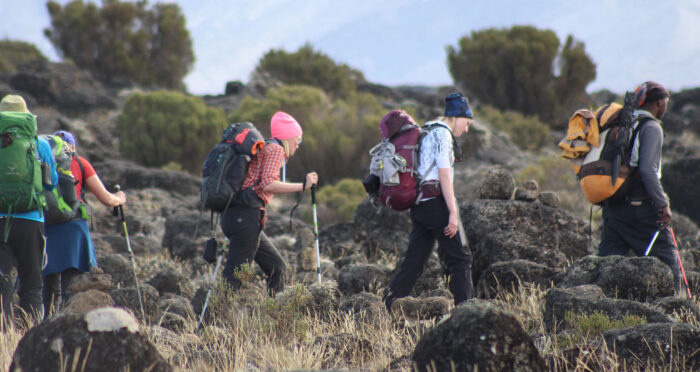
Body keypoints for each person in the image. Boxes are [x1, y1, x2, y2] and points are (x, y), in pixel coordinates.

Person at [383, 92, 475, 311]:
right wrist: (453, 213)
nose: (467, 129)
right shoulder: (443, 135)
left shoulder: (428, 128)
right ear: (456, 116)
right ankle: (468, 313)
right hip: (436, 204)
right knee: (461, 259)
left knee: (414, 263)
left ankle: (386, 306)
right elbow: (444, 175)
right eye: (467, 122)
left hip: (419, 205)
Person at [597, 81, 682, 294]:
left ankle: (594, 307)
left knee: (605, 267)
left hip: (613, 206)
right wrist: (663, 204)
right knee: (668, 263)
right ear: (659, 102)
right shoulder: (651, 127)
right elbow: (648, 171)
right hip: (641, 210)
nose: (666, 107)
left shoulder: (621, 124)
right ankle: (677, 310)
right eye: (665, 102)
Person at [221, 111, 317, 295]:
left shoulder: (266, 147)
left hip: (238, 217)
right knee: (233, 278)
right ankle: (208, 323)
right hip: (246, 217)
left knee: (278, 269)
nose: (298, 144)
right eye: (298, 139)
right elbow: (268, 184)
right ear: (288, 138)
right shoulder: (276, 149)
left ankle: (276, 318)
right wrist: (302, 186)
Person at [42, 130, 126, 314]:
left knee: (47, 287)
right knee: (70, 286)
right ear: (72, 147)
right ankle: (68, 325)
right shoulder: (80, 163)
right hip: (73, 229)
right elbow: (107, 199)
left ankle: (40, 328)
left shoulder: (42, 163)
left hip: (46, 227)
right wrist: (120, 198)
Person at [0, 95, 57, 324]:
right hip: (31, 219)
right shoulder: (39, 143)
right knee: (32, 284)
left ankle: (3, 337)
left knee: (2, 283)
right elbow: (51, 181)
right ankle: (29, 337)